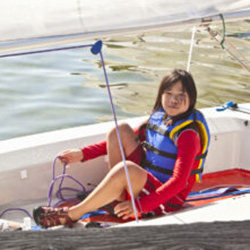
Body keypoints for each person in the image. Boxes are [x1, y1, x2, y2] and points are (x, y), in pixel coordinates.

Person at [33, 69, 210, 228]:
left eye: (181, 95)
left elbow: (179, 182)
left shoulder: (188, 135)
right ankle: (117, 196)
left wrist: (140, 206)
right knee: (120, 131)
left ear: (191, 98)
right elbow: (122, 139)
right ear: (161, 94)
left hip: (166, 199)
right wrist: (82, 154)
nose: (174, 99)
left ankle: (72, 214)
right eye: (169, 92)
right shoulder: (159, 118)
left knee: (127, 169)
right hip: (146, 183)